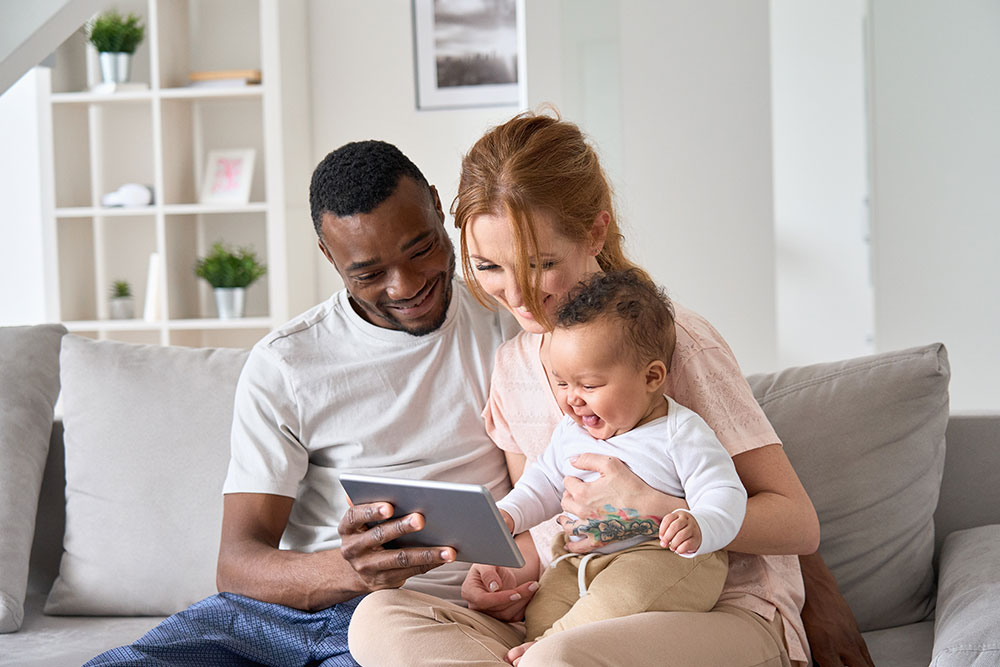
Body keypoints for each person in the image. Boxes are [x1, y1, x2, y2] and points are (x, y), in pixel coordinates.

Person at [347, 110, 867, 667]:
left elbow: (797, 523)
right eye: (488, 266)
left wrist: (656, 506)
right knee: (379, 619)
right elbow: (549, 522)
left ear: (594, 231)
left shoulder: (673, 344)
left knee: (559, 659)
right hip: (577, 603)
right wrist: (503, 574)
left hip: (718, 610)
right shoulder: (513, 367)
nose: (516, 293)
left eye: (540, 263)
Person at [85, 140, 520, 666]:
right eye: (368, 273)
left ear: (435, 203)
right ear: (327, 255)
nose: (405, 286)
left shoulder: (508, 325)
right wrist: (347, 570)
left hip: (419, 622)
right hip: (288, 612)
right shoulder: (286, 364)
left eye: (421, 249)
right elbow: (237, 564)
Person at [495, 270, 747, 662]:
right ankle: (547, 643)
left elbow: (724, 492)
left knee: (625, 595)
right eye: (562, 384)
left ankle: (547, 650)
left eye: (589, 386)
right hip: (580, 559)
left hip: (662, 557)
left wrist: (702, 524)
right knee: (544, 605)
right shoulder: (570, 432)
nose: (572, 400)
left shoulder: (679, 432)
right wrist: (509, 515)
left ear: (651, 377)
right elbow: (543, 482)